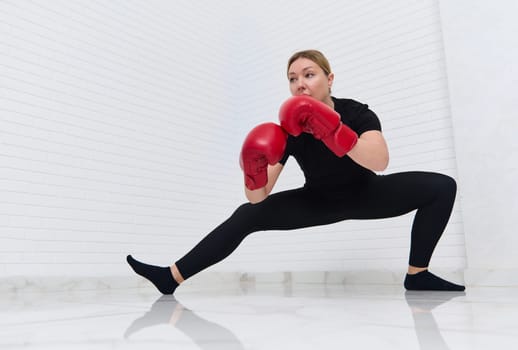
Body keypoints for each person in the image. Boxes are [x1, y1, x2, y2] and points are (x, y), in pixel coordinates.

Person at [127, 49, 465, 294]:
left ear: (329, 79)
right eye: (292, 79)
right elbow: (258, 197)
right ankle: (171, 277)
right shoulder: (288, 130)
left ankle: (417, 274)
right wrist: (252, 168)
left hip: (365, 194)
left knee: (442, 186)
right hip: (317, 200)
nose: (300, 84)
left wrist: (332, 130)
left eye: (309, 74)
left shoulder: (355, 112)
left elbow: (380, 161)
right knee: (247, 215)